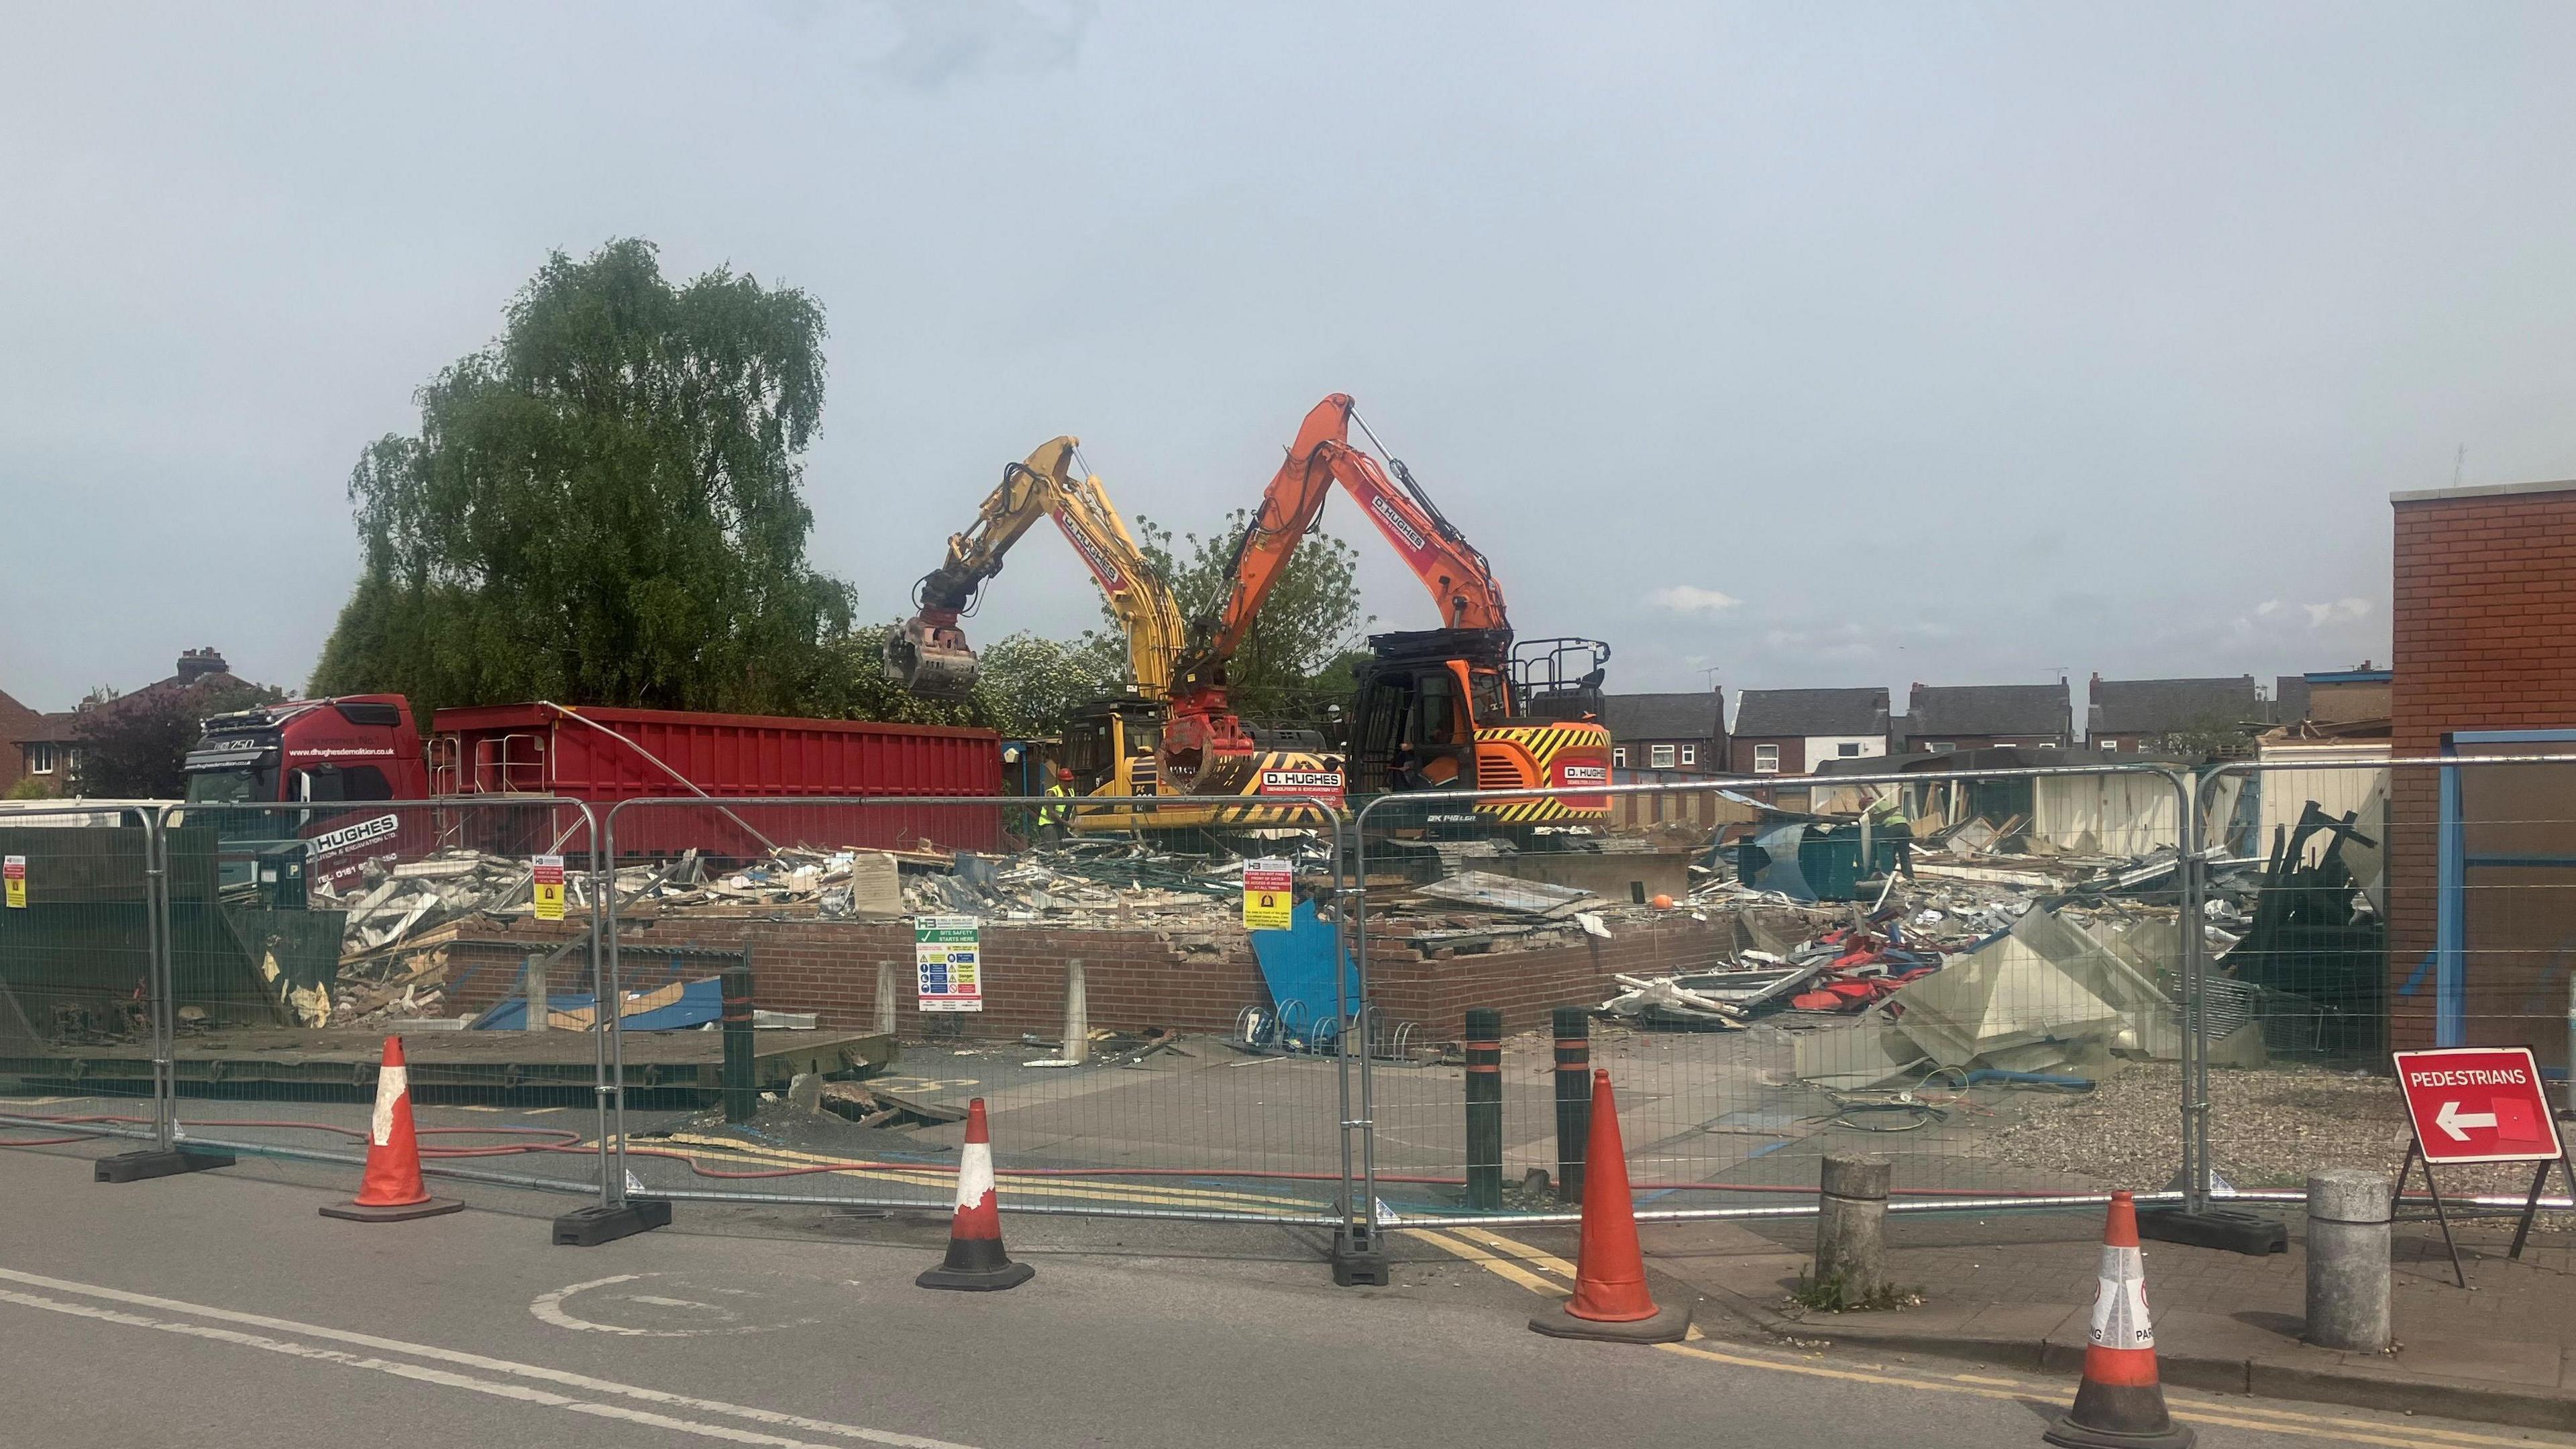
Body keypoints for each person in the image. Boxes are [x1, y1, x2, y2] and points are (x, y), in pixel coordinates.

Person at [1040, 766, 1075, 843]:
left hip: (1061, 826)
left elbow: (1074, 809)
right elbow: (1050, 813)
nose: (1067, 784)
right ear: (1059, 781)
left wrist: (1072, 821)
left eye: (1069, 781)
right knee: (1053, 851)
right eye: (1064, 781)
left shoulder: (1071, 792)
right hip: (1049, 826)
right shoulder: (1053, 792)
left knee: (1069, 848)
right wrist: (1067, 823)